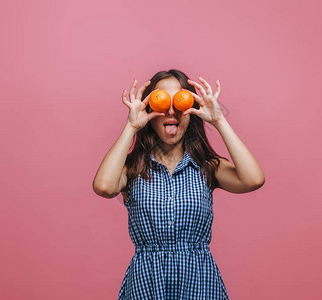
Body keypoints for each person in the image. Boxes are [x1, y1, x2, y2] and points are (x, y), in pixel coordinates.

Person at [93, 69, 265, 299]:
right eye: (162, 102)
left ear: (191, 111)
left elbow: (253, 179)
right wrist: (131, 127)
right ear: (150, 110)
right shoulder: (132, 170)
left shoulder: (208, 166)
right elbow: (104, 186)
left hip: (200, 284)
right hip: (146, 283)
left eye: (179, 102)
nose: (171, 111)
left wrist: (219, 119)